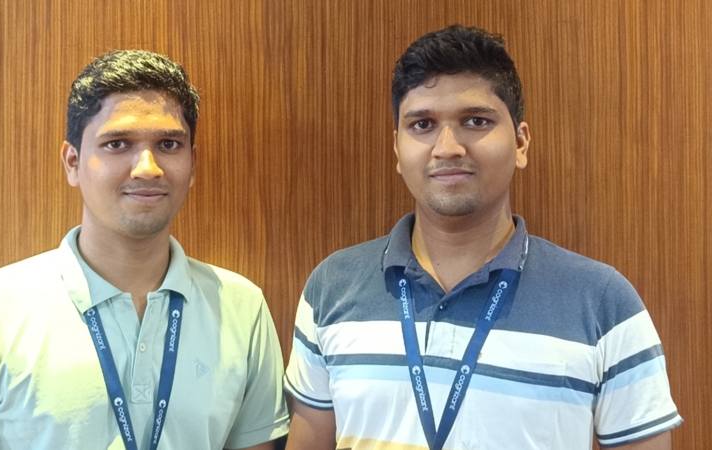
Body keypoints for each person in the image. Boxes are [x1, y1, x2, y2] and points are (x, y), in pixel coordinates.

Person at [283, 25, 681, 450]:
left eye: (476, 121)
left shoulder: (603, 302)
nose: (448, 147)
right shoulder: (331, 287)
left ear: (521, 143)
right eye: (422, 124)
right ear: (397, 150)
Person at [0, 50, 289, 450]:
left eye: (168, 143)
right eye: (117, 143)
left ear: (192, 164)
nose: (147, 167)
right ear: (73, 162)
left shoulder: (242, 307)